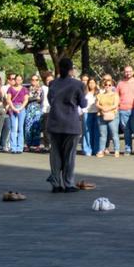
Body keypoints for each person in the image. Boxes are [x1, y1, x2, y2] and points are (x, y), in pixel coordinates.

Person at [44, 58, 87, 192]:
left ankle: (56, 184)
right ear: (71, 69)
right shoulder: (78, 84)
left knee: (55, 154)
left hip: (54, 122)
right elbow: (83, 104)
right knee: (69, 155)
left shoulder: (53, 84)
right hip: (71, 124)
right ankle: (68, 184)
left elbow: (50, 101)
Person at [116, 66, 134, 156]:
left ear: (133, 72)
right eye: (126, 71)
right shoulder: (120, 83)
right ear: (124, 73)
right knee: (126, 131)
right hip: (123, 110)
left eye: (129, 71)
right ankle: (128, 149)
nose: (128, 73)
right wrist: (117, 107)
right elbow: (116, 96)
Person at [96, 75, 121, 157]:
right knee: (102, 135)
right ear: (103, 85)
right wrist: (102, 108)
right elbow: (97, 104)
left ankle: (116, 150)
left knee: (114, 134)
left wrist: (107, 109)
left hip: (112, 116)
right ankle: (101, 150)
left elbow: (116, 104)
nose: (107, 86)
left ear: (112, 86)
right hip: (102, 116)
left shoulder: (115, 95)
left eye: (109, 85)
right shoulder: (100, 95)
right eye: (106, 85)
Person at [4, 74, 28, 154]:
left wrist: (20, 108)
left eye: (20, 80)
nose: (18, 81)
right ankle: (13, 147)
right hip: (13, 107)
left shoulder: (24, 89)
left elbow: (26, 100)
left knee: (20, 128)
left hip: (21, 108)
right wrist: (13, 108)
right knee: (13, 128)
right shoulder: (10, 88)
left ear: (22, 80)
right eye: (17, 79)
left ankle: (20, 147)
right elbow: (8, 99)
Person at [24, 73, 47, 152]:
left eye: (36, 80)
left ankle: (37, 145)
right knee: (28, 127)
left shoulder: (41, 89)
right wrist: (34, 98)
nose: (34, 81)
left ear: (38, 81)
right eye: (33, 80)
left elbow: (41, 100)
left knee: (37, 127)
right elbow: (27, 99)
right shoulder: (27, 89)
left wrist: (32, 98)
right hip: (29, 108)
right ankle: (27, 144)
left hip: (37, 109)